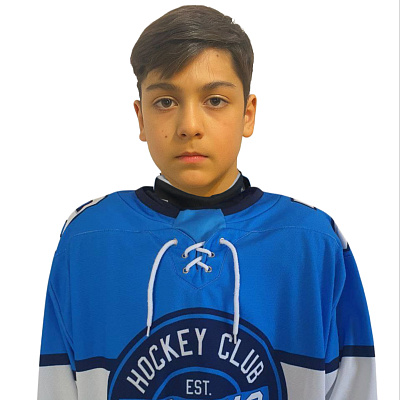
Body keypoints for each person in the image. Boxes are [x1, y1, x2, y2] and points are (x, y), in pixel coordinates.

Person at [37, 5, 377, 400]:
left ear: (248, 114)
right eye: (165, 102)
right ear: (141, 118)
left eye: (215, 100)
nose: (189, 126)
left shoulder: (313, 243)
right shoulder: (88, 241)